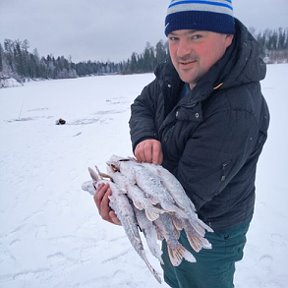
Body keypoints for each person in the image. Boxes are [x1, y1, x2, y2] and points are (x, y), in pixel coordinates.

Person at [95, 0, 270, 287]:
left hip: (211, 229)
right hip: (175, 222)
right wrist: (145, 136)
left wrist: (126, 212)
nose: (181, 51)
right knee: (177, 277)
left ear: (227, 37)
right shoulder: (176, 75)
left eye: (196, 36)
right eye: (174, 38)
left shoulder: (233, 111)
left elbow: (182, 199)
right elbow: (143, 104)